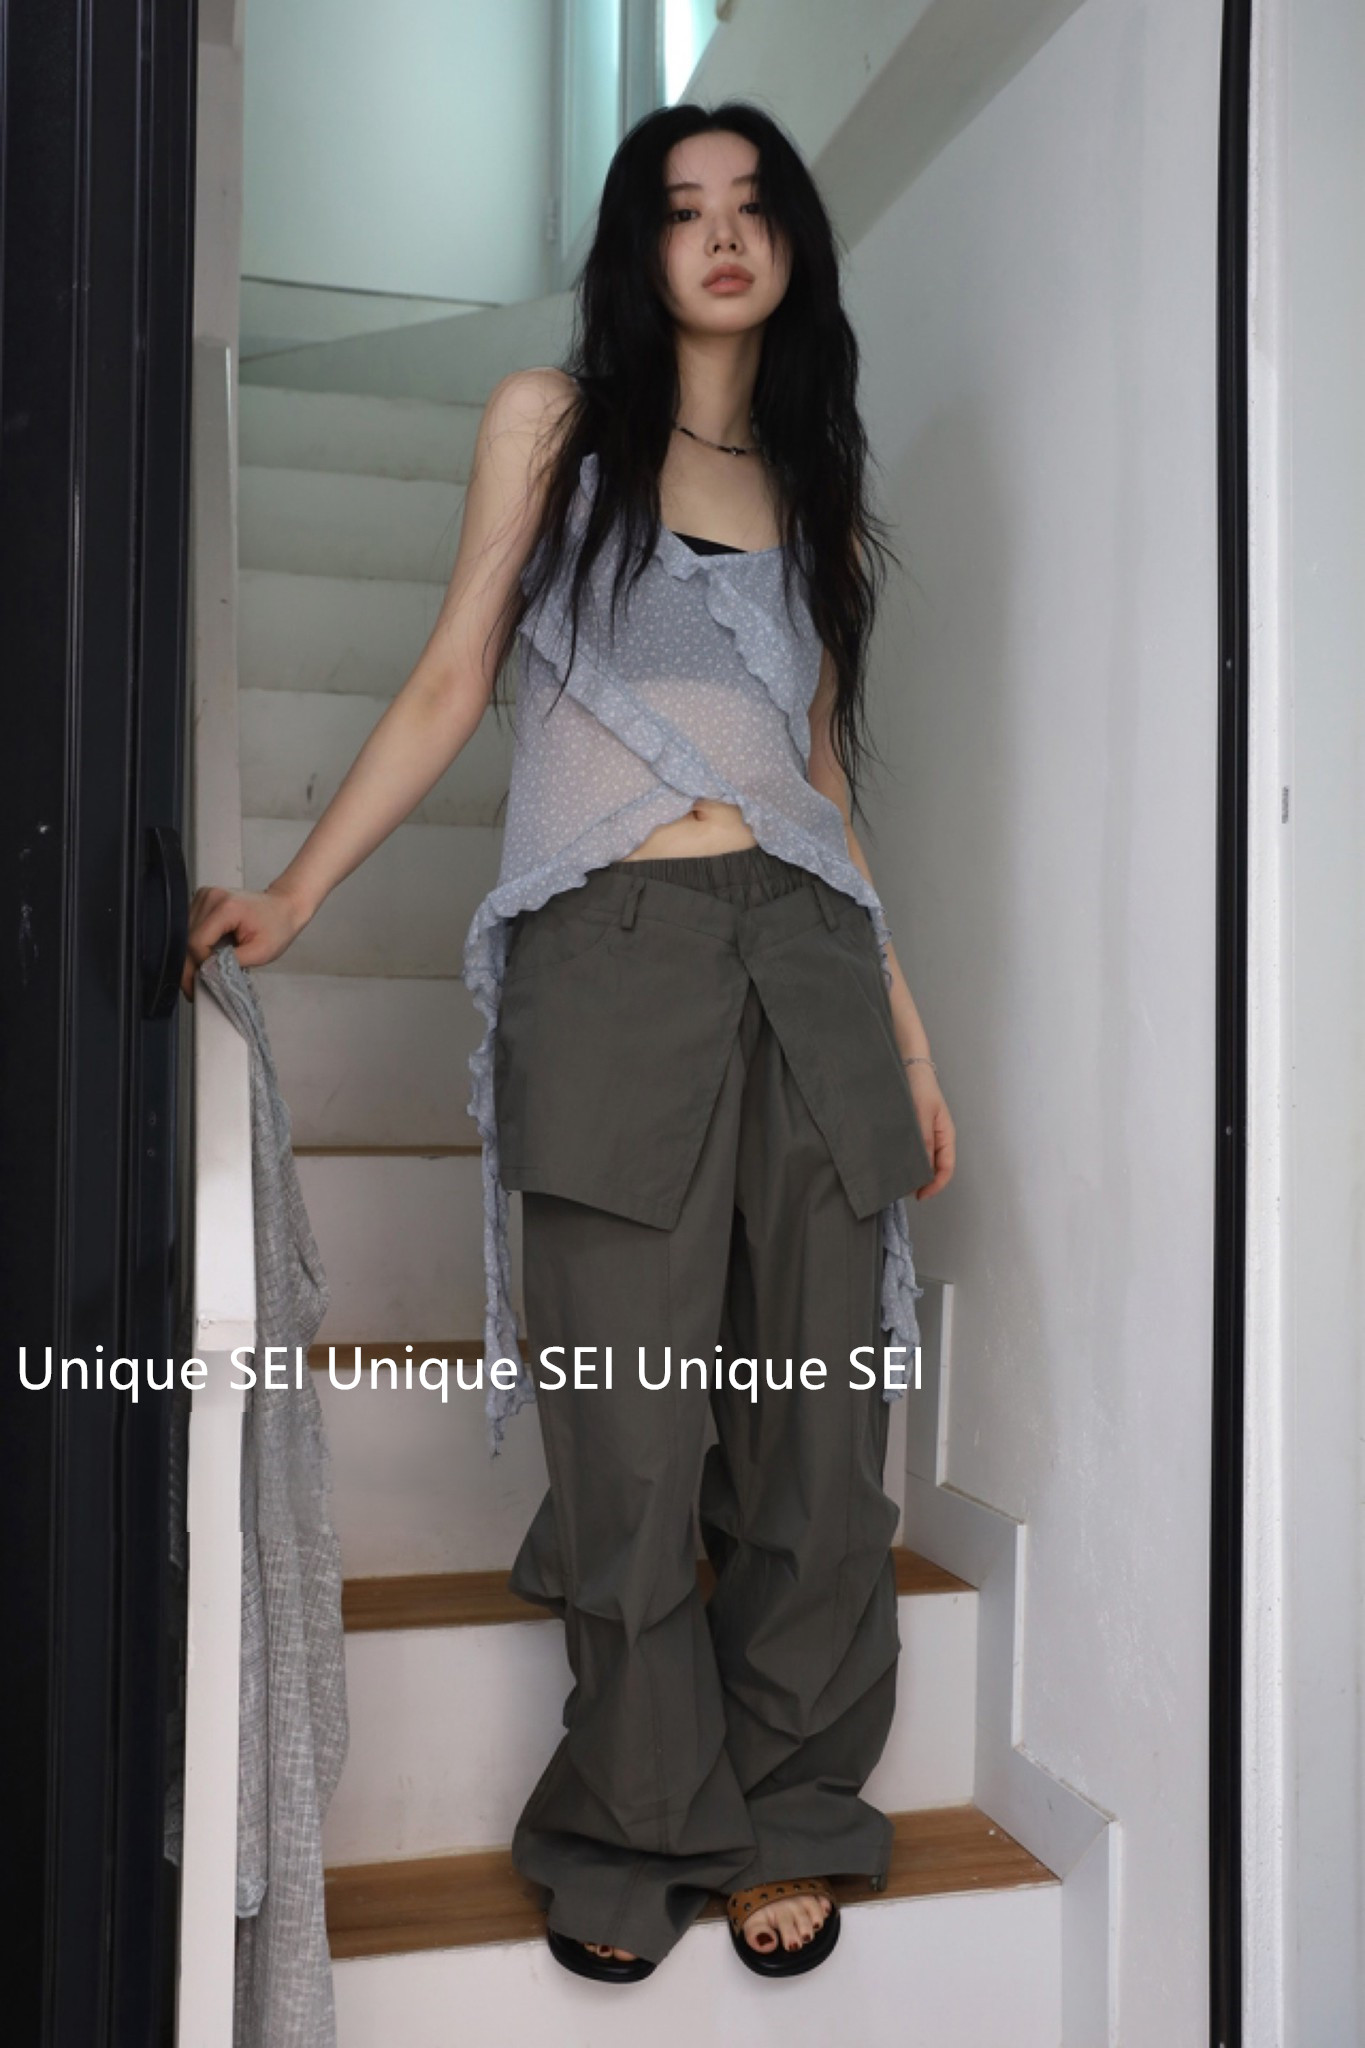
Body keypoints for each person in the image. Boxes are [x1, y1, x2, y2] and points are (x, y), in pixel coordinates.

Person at [182, 99, 956, 1984]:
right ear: (638, 246)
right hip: (609, 957)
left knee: (814, 1437)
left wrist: (914, 1047)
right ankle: (635, 1828)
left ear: (791, 247)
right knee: (629, 1441)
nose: (721, 234)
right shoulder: (551, 425)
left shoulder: (820, 489)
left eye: (752, 206)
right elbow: (456, 673)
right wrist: (296, 894)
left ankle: (789, 1811)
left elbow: (822, 784)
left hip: (809, 964)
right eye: (682, 208)